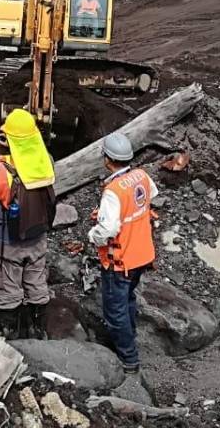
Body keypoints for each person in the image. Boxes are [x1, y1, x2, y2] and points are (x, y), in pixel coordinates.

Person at [0, 109, 56, 339]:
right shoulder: (46, 160)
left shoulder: (1, 168)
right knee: (36, 279)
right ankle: (38, 329)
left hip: (7, 239)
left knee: (8, 285)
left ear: (9, 140)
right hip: (37, 234)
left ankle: (11, 332)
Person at [88, 132, 157, 374]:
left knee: (114, 309)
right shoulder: (142, 176)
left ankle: (128, 359)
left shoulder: (113, 191)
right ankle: (129, 336)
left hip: (121, 259)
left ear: (107, 159)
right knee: (128, 298)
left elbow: (109, 229)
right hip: (142, 253)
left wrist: (93, 235)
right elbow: (149, 199)